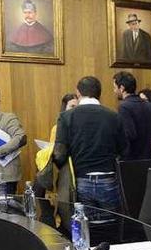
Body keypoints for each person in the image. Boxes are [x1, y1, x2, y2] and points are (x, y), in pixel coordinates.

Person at [53, 77, 124, 214]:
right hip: (109, 179)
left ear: (78, 93)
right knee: (111, 226)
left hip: (82, 180)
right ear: (99, 93)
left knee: (85, 227)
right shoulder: (114, 116)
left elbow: (59, 154)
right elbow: (124, 149)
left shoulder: (66, 117)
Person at [35, 93, 78, 229]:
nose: (74, 109)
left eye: (77, 106)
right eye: (71, 106)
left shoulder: (82, 124)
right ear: (64, 107)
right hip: (64, 168)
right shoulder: (58, 127)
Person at [113, 72, 151, 160]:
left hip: (131, 162)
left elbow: (129, 135)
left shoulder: (124, 106)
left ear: (121, 88)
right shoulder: (149, 105)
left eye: (114, 87)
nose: (114, 91)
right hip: (149, 159)